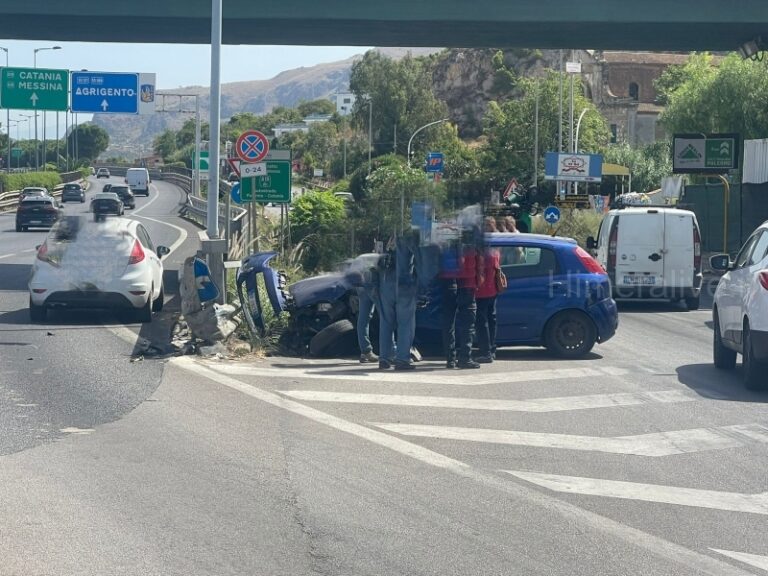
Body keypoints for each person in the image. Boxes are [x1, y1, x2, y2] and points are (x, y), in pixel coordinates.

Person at [440, 228, 483, 369]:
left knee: (448, 322)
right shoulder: (472, 244)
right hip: (467, 284)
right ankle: (465, 357)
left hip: (447, 282)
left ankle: (450, 359)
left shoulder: (445, 243)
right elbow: (479, 265)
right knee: (467, 323)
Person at [475, 218, 501, 363]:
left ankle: (485, 352)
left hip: (482, 289)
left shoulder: (484, 248)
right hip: (493, 289)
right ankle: (491, 349)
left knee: (482, 320)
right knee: (491, 319)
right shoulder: (496, 246)